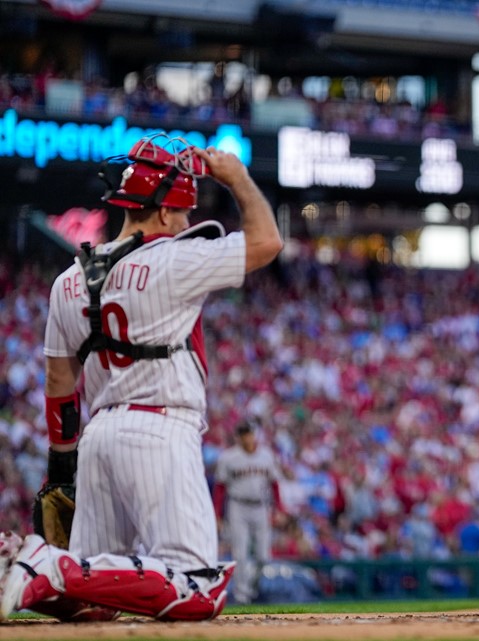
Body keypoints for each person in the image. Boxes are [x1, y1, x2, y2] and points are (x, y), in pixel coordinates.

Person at [0, 133, 282, 622]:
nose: (187, 222)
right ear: (167, 213)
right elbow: (266, 242)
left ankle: (14, 564)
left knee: (91, 606)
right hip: (159, 429)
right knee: (197, 591)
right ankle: (49, 568)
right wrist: (236, 177)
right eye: (185, 213)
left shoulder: (67, 279)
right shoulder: (175, 259)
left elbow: (59, 382)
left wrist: (62, 469)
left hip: (96, 439)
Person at [213, 421, 283, 605]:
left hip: (261, 506)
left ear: (254, 434)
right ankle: (242, 596)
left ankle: (251, 588)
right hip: (237, 506)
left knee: (263, 556)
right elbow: (220, 488)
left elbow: (274, 484)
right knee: (240, 554)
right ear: (238, 437)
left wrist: (279, 509)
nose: (247, 437)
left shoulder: (266, 456)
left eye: (249, 433)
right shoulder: (229, 457)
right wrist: (218, 514)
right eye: (243, 434)